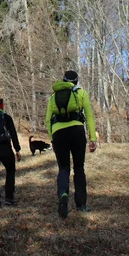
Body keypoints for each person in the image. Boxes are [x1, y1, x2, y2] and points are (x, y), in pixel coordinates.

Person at [45, 70, 98, 219]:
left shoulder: (53, 97)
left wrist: (52, 139)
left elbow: (48, 120)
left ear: (63, 80)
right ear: (76, 81)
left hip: (58, 133)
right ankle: (81, 204)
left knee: (63, 168)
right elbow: (89, 116)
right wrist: (93, 138)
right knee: (79, 168)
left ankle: (63, 194)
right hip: (77, 131)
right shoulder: (81, 93)